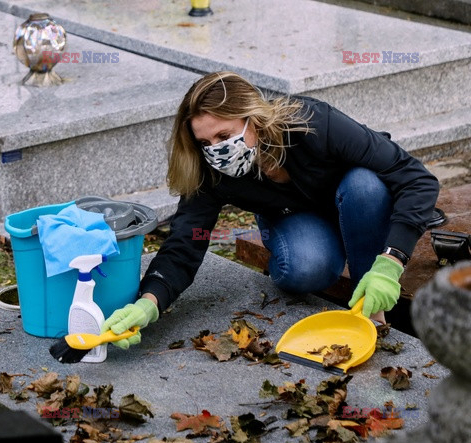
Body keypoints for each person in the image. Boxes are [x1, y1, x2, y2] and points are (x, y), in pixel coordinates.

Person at [101, 71, 440, 349]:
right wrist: (151, 300)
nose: (217, 150)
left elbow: (416, 179)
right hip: (293, 216)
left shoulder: (313, 123)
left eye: (224, 135)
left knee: (365, 185)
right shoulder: (210, 171)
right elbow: (190, 237)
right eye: (205, 143)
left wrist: (390, 262)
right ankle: (312, 244)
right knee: (305, 269)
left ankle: (373, 312)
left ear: (254, 120)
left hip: (355, 200)